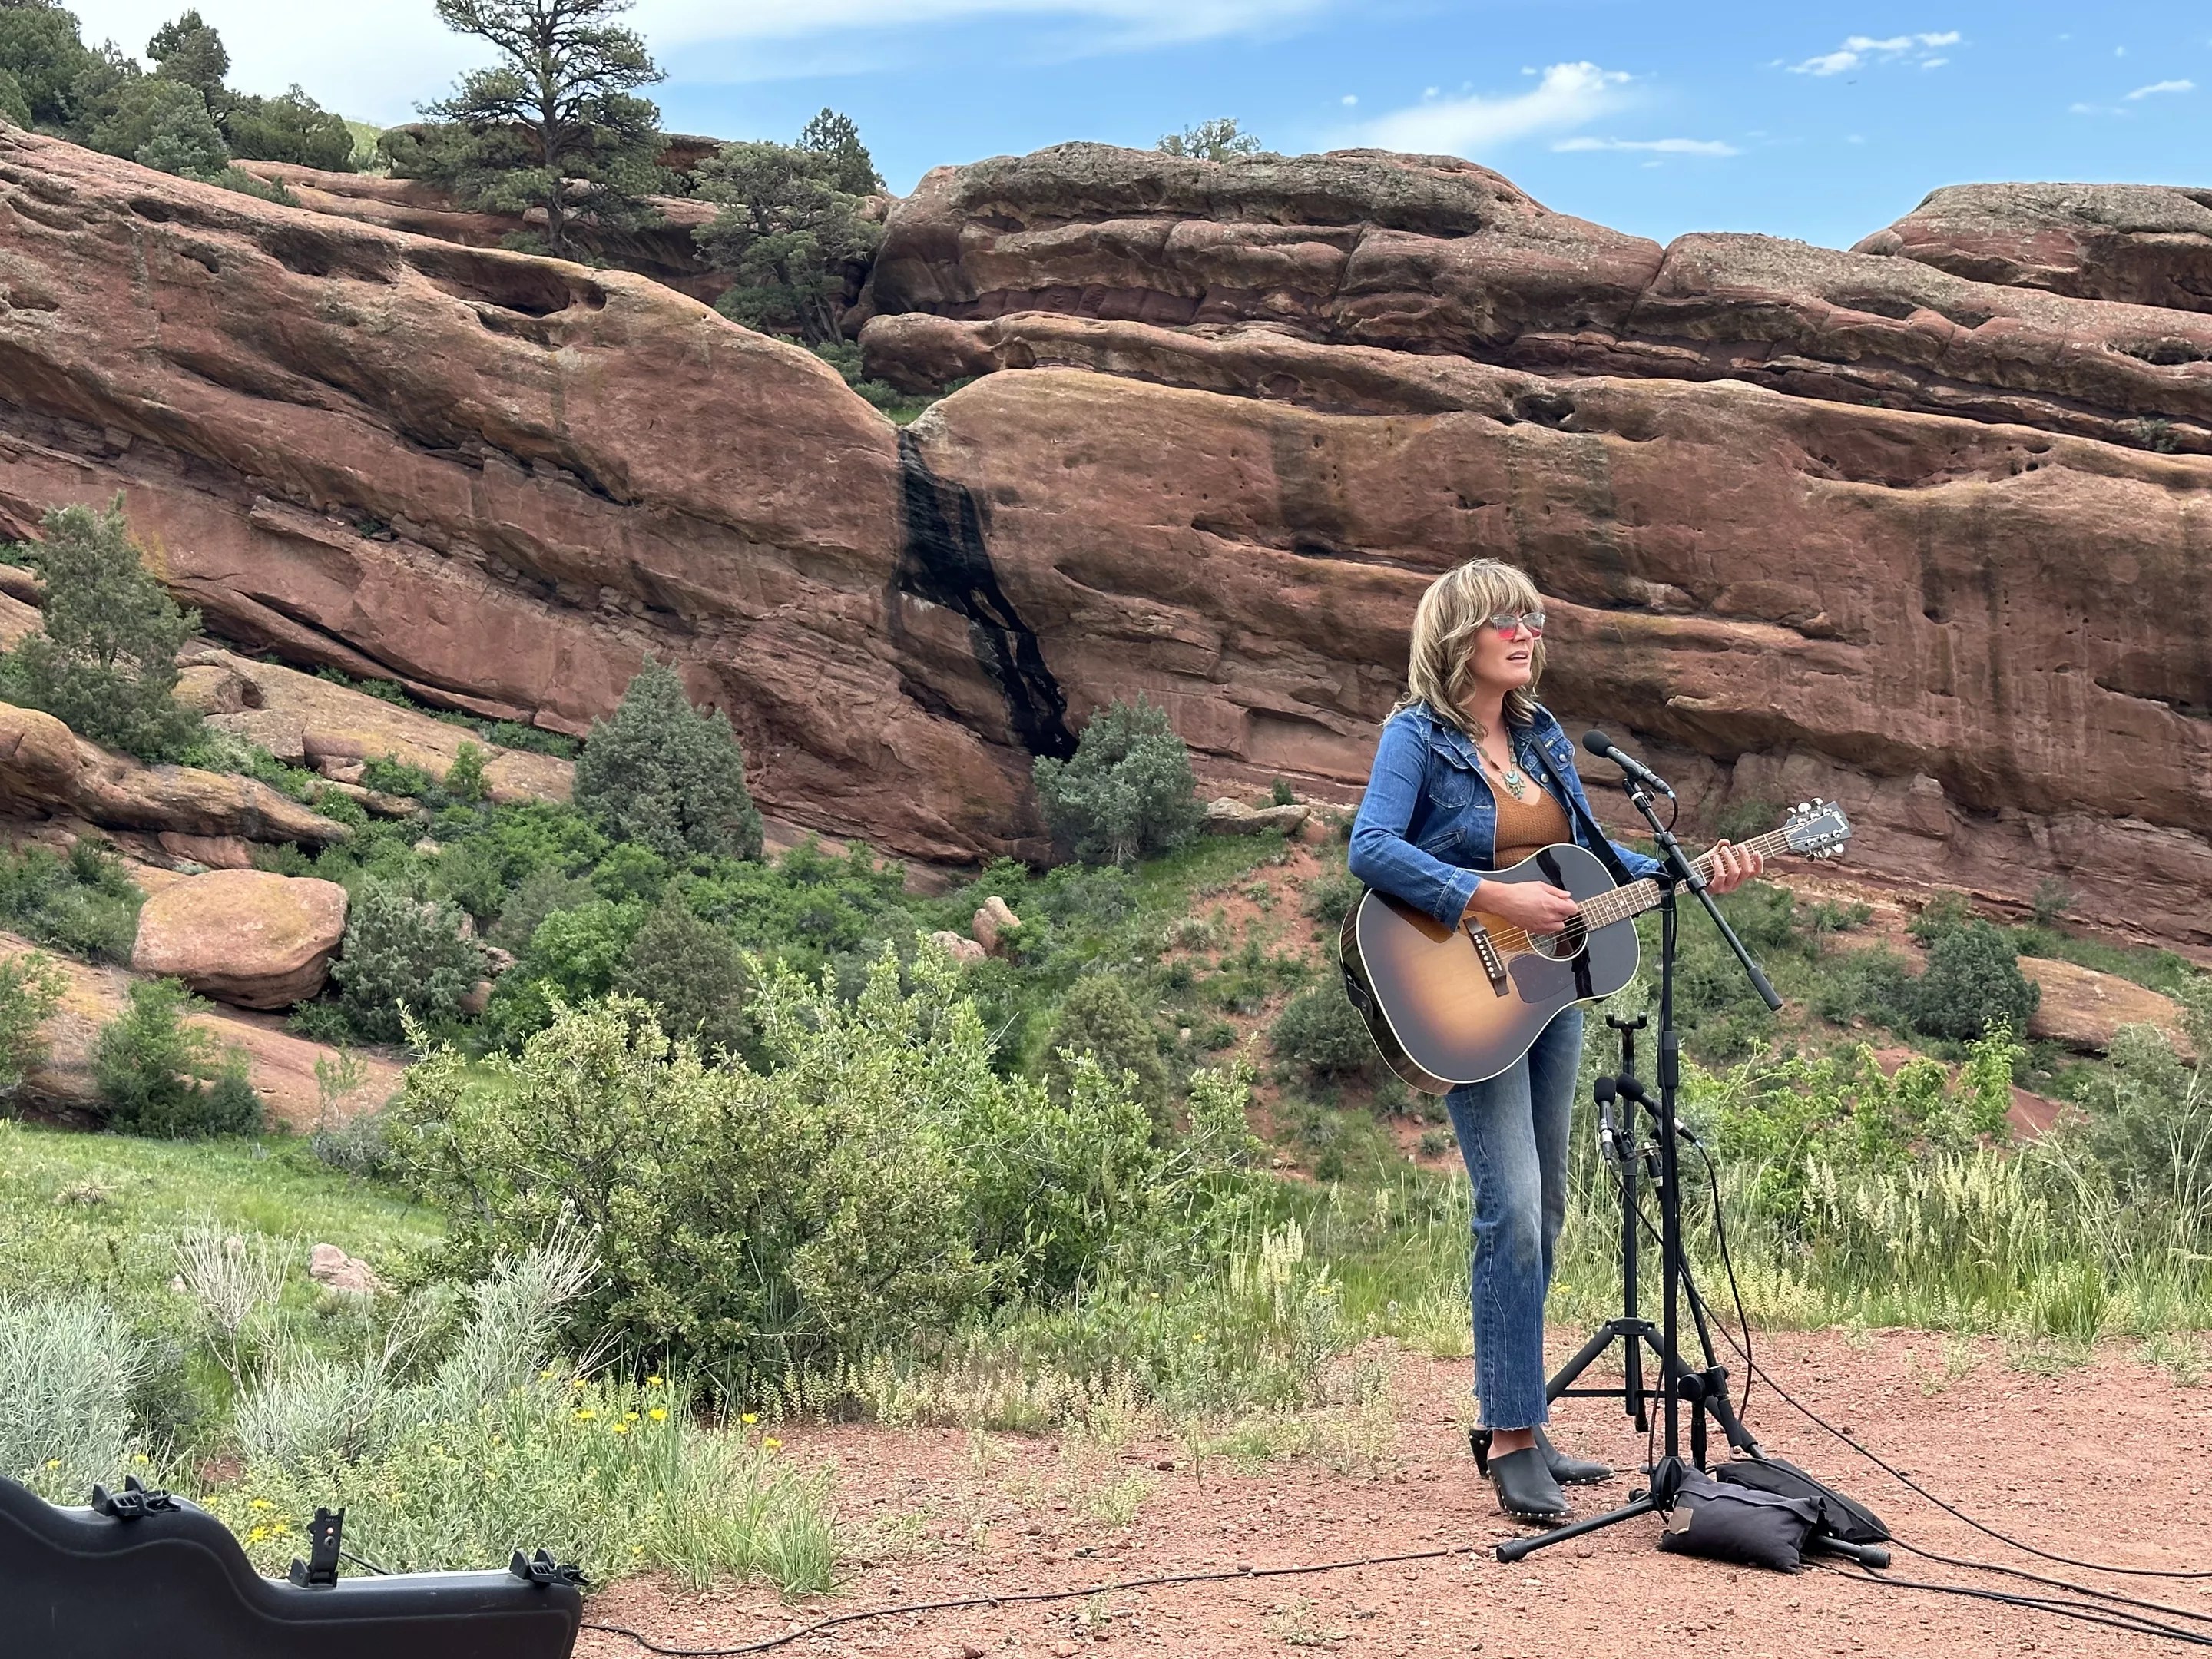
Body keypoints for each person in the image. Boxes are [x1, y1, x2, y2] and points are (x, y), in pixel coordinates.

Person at [1346, 558, 1763, 1524]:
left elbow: (1588, 858)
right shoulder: (1416, 736)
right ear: (1460, 636)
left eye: (1534, 615)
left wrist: (1688, 871)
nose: (1527, 632)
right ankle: (1508, 1438)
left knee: (1554, 1204)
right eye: (1506, 619)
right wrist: (1494, 894)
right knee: (1514, 1210)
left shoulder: (1541, 738)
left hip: (1545, 992)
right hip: (1458, 990)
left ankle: (1522, 1417)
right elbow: (1370, 847)